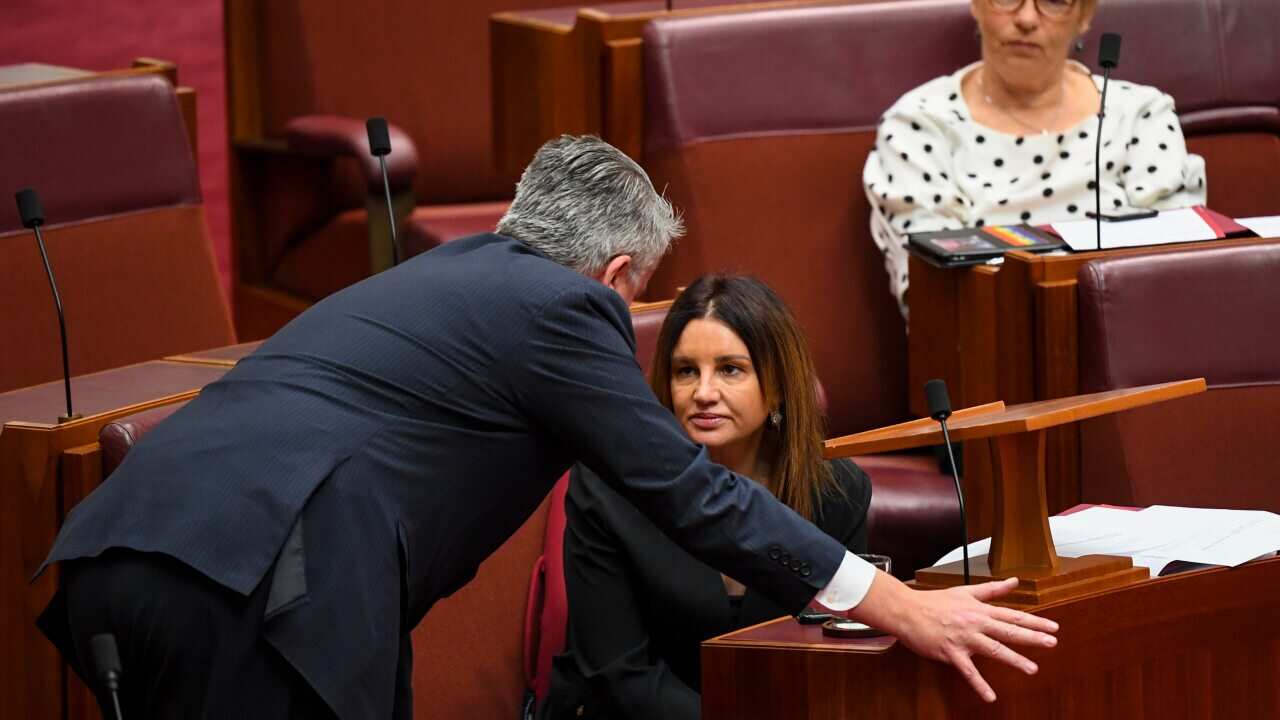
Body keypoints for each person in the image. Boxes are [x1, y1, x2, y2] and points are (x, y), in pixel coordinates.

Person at [36, 135, 1055, 719]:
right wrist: (891, 601)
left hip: (116, 554)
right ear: (617, 279)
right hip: (258, 591)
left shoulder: (436, 279)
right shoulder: (561, 311)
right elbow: (688, 491)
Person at [544, 274, 873, 720]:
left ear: (777, 384)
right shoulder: (606, 488)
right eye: (685, 371)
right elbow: (617, 675)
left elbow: (833, 651)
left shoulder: (837, 491)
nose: (703, 393)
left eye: (729, 369)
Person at [862, 0, 1207, 318]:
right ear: (976, 4)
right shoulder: (920, 124)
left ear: (1085, 15)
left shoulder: (1140, 114)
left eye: (1055, 0)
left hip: (1135, 346)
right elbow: (935, 296)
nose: (1027, 18)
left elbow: (1175, 275)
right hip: (989, 357)